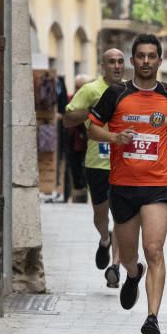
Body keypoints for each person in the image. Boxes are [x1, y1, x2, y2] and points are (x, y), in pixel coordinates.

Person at [87, 34, 167, 334]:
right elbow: (93, 128)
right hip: (122, 186)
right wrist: (114, 138)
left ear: (160, 60)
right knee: (131, 255)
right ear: (133, 61)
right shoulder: (115, 95)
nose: (146, 61)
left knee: (155, 249)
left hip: (156, 185)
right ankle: (133, 274)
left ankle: (152, 319)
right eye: (141, 56)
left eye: (152, 56)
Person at [63, 50, 126, 287]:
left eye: (120, 62)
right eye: (112, 62)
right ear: (103, 65)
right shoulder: (90, 90)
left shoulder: (128, 90)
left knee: (121, 215)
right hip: (96, 163)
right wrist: (94, 109)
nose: (117, 66)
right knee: (101, 214)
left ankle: (115, 266)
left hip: (124, 162)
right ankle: (103, 239)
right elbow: (68, 119)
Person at [62, 74, 92, 202]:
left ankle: (86, 195)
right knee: (74, 169)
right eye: (77, 87)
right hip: (73, 140)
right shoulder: (70, 99)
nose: (78, 89)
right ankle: (77, 197)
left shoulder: (92, 99)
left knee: (88, 170)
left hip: (89, 141)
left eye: (81, 87)